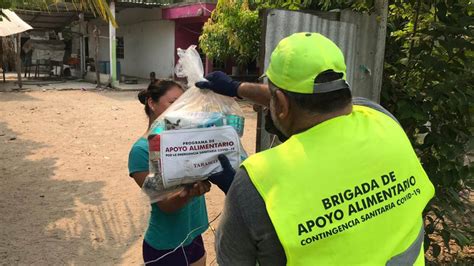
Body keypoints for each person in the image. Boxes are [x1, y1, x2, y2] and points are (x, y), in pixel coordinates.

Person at [196, 32, 435, 265]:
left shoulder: (259, 181)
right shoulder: (380, 118)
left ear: (280, 103)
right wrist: (236, 88)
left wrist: (243, 200)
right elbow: (304, 100)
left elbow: (233, 259)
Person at [128, 79, 211, 266]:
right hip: (165, 247)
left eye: (183, 104)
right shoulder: (141, 152)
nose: (180, 109)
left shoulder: (188, 141)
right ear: (152, 103)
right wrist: (190, 191)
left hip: (193, 235)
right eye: (173, 103)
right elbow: (165, 205)